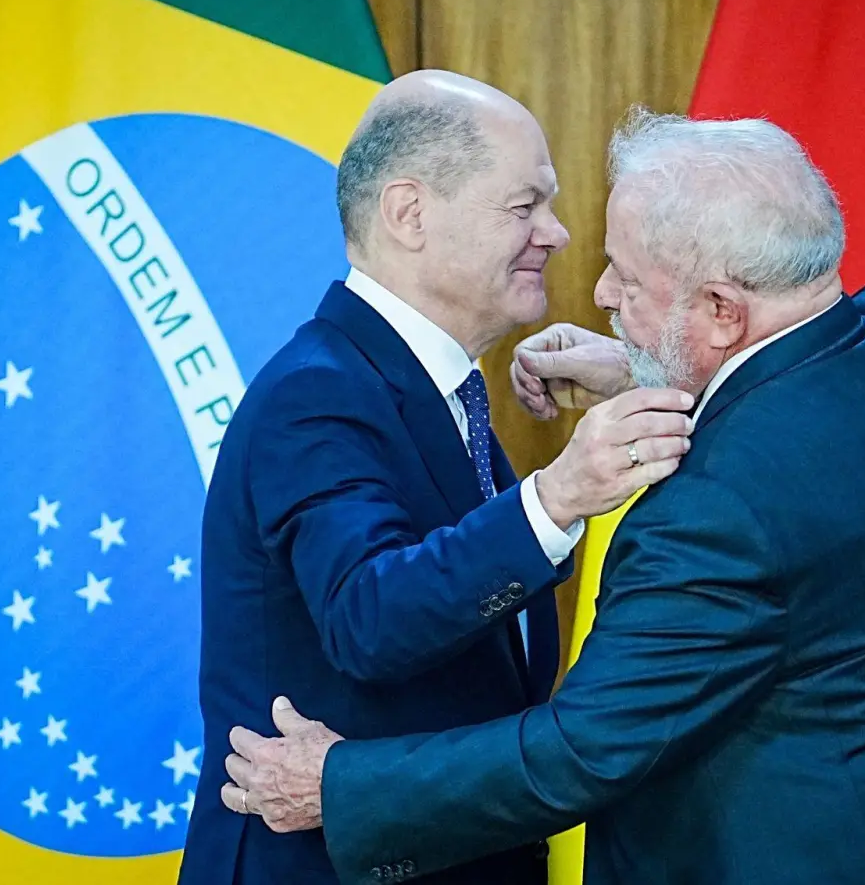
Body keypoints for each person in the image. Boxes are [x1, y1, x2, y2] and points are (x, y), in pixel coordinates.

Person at [216, 107, 865, 885]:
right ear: (409, 213)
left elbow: (580, 750)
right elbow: (810, 357)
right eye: (524, 205)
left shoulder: (715, 514)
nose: (599, 286)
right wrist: (675, 367)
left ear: (722, 309)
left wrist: (339, 788)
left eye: (625, 277)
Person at [176, 76, 695, 885]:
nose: (556, 234)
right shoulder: (316, 392)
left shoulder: (440, 392)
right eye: (524, 207)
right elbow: (369, 615)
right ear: (410, 213)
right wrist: (558, 496)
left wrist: (641, 376)